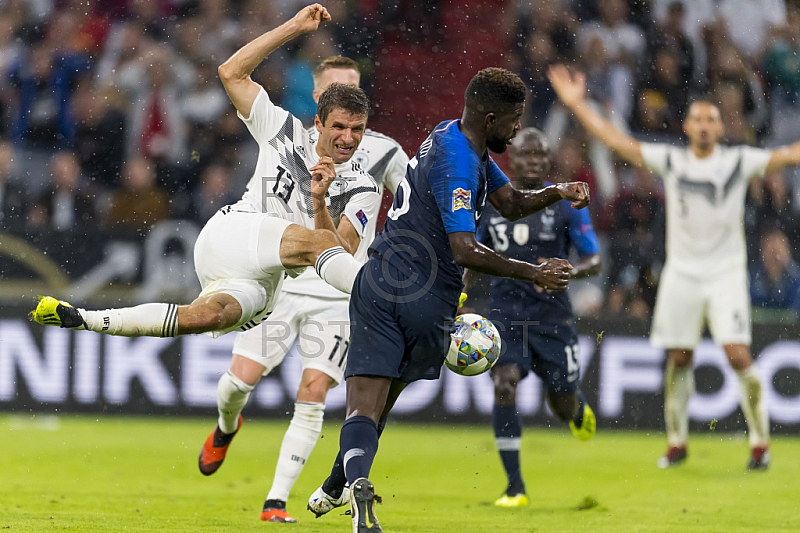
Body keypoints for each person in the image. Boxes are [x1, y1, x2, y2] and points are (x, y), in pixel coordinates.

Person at [307, 67, 590, 533]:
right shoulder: (462, 164)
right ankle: (343, 484)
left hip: (380, 281)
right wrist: (534, 271)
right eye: (514, 120)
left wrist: (556, 191)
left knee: (363, 406)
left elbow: (511, 203)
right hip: (429, 297)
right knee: (383, 402)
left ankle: (348, 484)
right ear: (492, 116)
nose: (517, 130)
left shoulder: (450, 135)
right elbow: (464, 249)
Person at [30, 5, 368, 341]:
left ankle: (85, 319)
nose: (348, 138)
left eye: (357, 130)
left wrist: (319, 202)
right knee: (315, 244)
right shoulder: (285, 129)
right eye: (339, 127)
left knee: (206, 317)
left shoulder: (361, 186)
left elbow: (339, 253)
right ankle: (385, 302)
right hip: (233, 234)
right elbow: (231, 72)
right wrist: (292, 27)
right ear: (319, 122)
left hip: (263, 280)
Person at [547, 63, 800, 470]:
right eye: (698, 118)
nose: (703, 124)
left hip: (725, 275)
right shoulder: (673, 160)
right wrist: (577, 106)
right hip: (681, 274)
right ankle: (677, 441)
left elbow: (789, 153)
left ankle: (760, 443)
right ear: (686, 125)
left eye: (711, 119)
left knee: (738, 355)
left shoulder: (739, 161)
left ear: (720, 128)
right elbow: (618, 141)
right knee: (679, 358)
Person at [199, 56, 409, 524]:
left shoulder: (384, 153)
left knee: (314, 390)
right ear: (319, 100)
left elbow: (411, 205)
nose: (349, 126)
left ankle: (275, 501)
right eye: (336, 89)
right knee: (239, 381)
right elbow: (232, 74)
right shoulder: (285, 134)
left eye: (354, 90)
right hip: (281, 283)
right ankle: (225, 426)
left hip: (336, 294)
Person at [465, 128, 601, 508]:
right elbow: (471, 253)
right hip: (506, 313)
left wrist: (568, 270)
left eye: (541, 155)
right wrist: (459, 296)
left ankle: (575, 408)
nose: (534, 162)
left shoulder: (564, 203)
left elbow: (594, 258)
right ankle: (514, 488)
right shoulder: (491, 204)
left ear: (548, 160)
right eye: (526, 155)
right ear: (512, 158)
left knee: (562, 404)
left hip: (553, 316)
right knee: (504, 383)